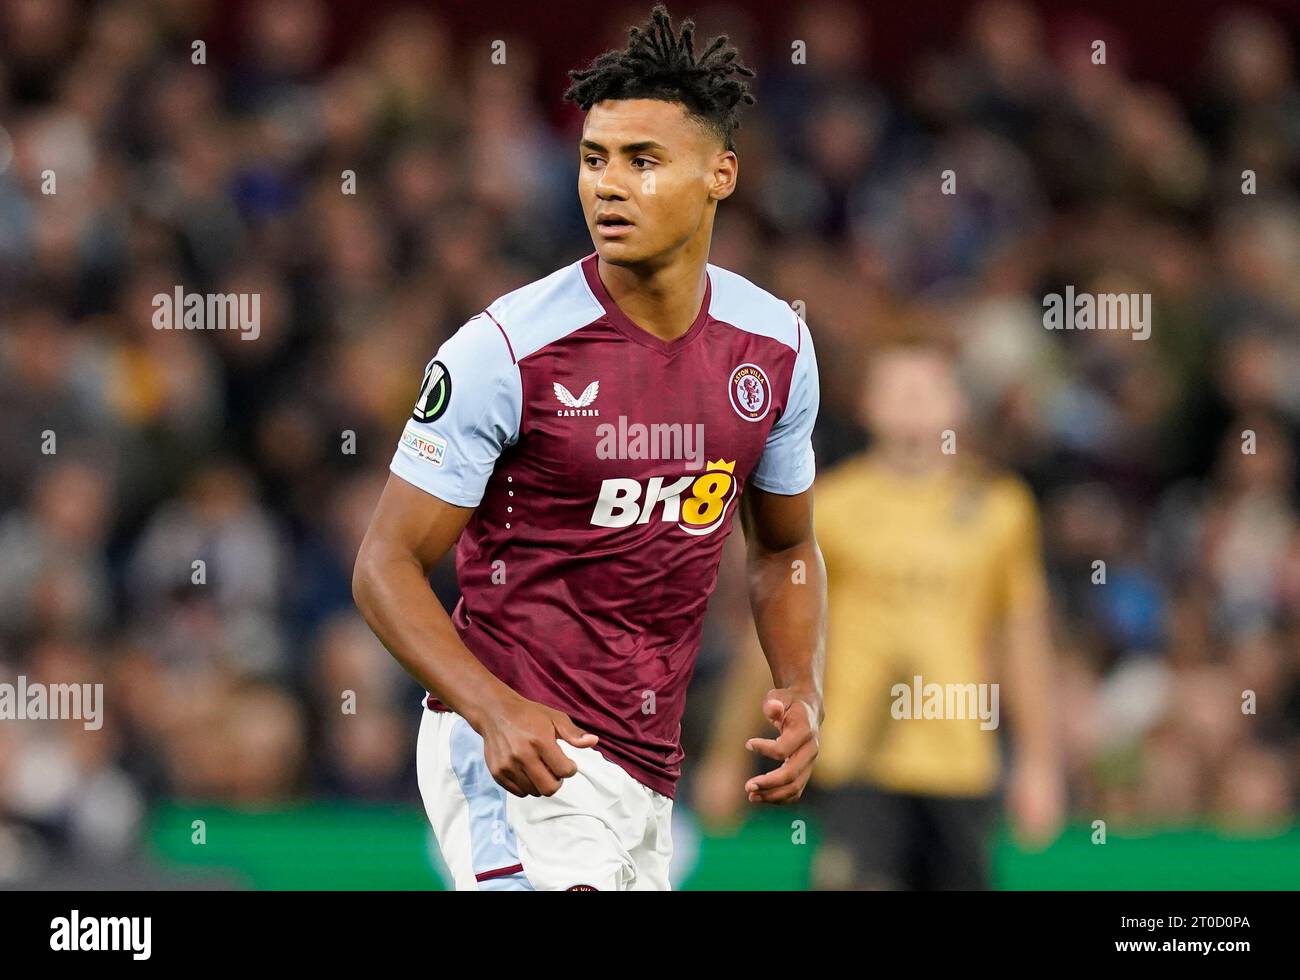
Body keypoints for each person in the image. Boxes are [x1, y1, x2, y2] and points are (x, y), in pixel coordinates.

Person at [352, 5, 827, 891]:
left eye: (643, 162)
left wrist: (800, 684)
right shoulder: (504, 351)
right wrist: (494, 711)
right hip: (518, 751)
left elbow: (787, 546)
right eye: (594, 159)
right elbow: (383, 565)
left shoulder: (776, 347)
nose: (609, 185)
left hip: (647, 770)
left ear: (721, 173)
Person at [696, 339, 1064, 889]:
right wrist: (728, 755)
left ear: (956, 402)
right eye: (896, 388)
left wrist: (1040, 762)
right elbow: (775, 632)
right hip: (857, 764)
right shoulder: (829, 506)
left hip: (961, 762)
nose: (913, 402)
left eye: (927, 388)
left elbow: (1021, 640)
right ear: (868, 403)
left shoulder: (1001, 509)